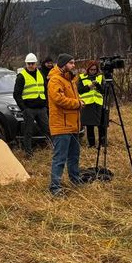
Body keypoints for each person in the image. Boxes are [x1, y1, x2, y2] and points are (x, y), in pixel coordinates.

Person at [47, 53, 84, 196]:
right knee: (60, 158)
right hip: (61, 126)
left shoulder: (70, 80)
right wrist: (78, 104)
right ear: (63, 65)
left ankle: (75, 180)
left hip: (73, 125)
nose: (74, 65)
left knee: (74, 155)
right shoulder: (55, 80)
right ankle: (55, 186)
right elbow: (59, 99)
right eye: (71, 63)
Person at [13, 53, 49, 156]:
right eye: (29, 63)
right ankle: (28, 153)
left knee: (47, 130)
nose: (30, 65)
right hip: (29, 109)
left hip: (41, 108)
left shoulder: (41, 74)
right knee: (28, 132)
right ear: (26, 63)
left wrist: (46, 104)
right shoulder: (21, 76)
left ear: (36, 63)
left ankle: (54, 149)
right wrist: (24, 109)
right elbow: (16, 94)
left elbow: (45, 89)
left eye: (32, 63)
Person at [77, 61, 106, 148]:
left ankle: (102, 143)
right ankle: (92, 144)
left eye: (95, 70)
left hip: (98, 103)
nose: (93, 71)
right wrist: (89, 87)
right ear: (88, 69)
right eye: (91, 69)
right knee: (89, 125)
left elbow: (104, 91)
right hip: (87, 104)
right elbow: (79, 90)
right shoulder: (82, 77)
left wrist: (98, 86)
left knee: (101, 124)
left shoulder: (100, 77)